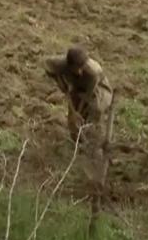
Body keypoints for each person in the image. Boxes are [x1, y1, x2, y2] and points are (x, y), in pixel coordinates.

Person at [44, 47, 114, 206]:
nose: (81, 71)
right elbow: (47, 66)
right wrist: (62, 84)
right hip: (76, 88)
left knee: (94, 110)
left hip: (98, 90)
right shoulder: (59, 63)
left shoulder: (92, 72)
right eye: (78, 68)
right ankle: (78, 144)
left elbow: (88, 96)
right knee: (74, 125)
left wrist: (79, 112)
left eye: (83, 68)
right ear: (70, 66)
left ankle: (95, 144)